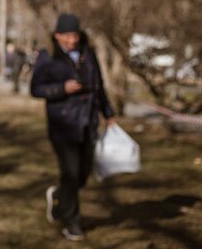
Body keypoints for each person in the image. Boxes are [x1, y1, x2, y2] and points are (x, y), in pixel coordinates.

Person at [30, 13, 116, 241]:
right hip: (62, 124)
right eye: (67, 35)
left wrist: (108, 113)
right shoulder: (48, 56)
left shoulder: (89, 54)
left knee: (83, 173)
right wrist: (62, 88)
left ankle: (58, 197)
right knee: (70, 173)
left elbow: (99, 86)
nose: (72, 40)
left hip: (88, 122)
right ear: (57, 35)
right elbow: (36, 88)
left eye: (75, 35)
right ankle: (72, 222)